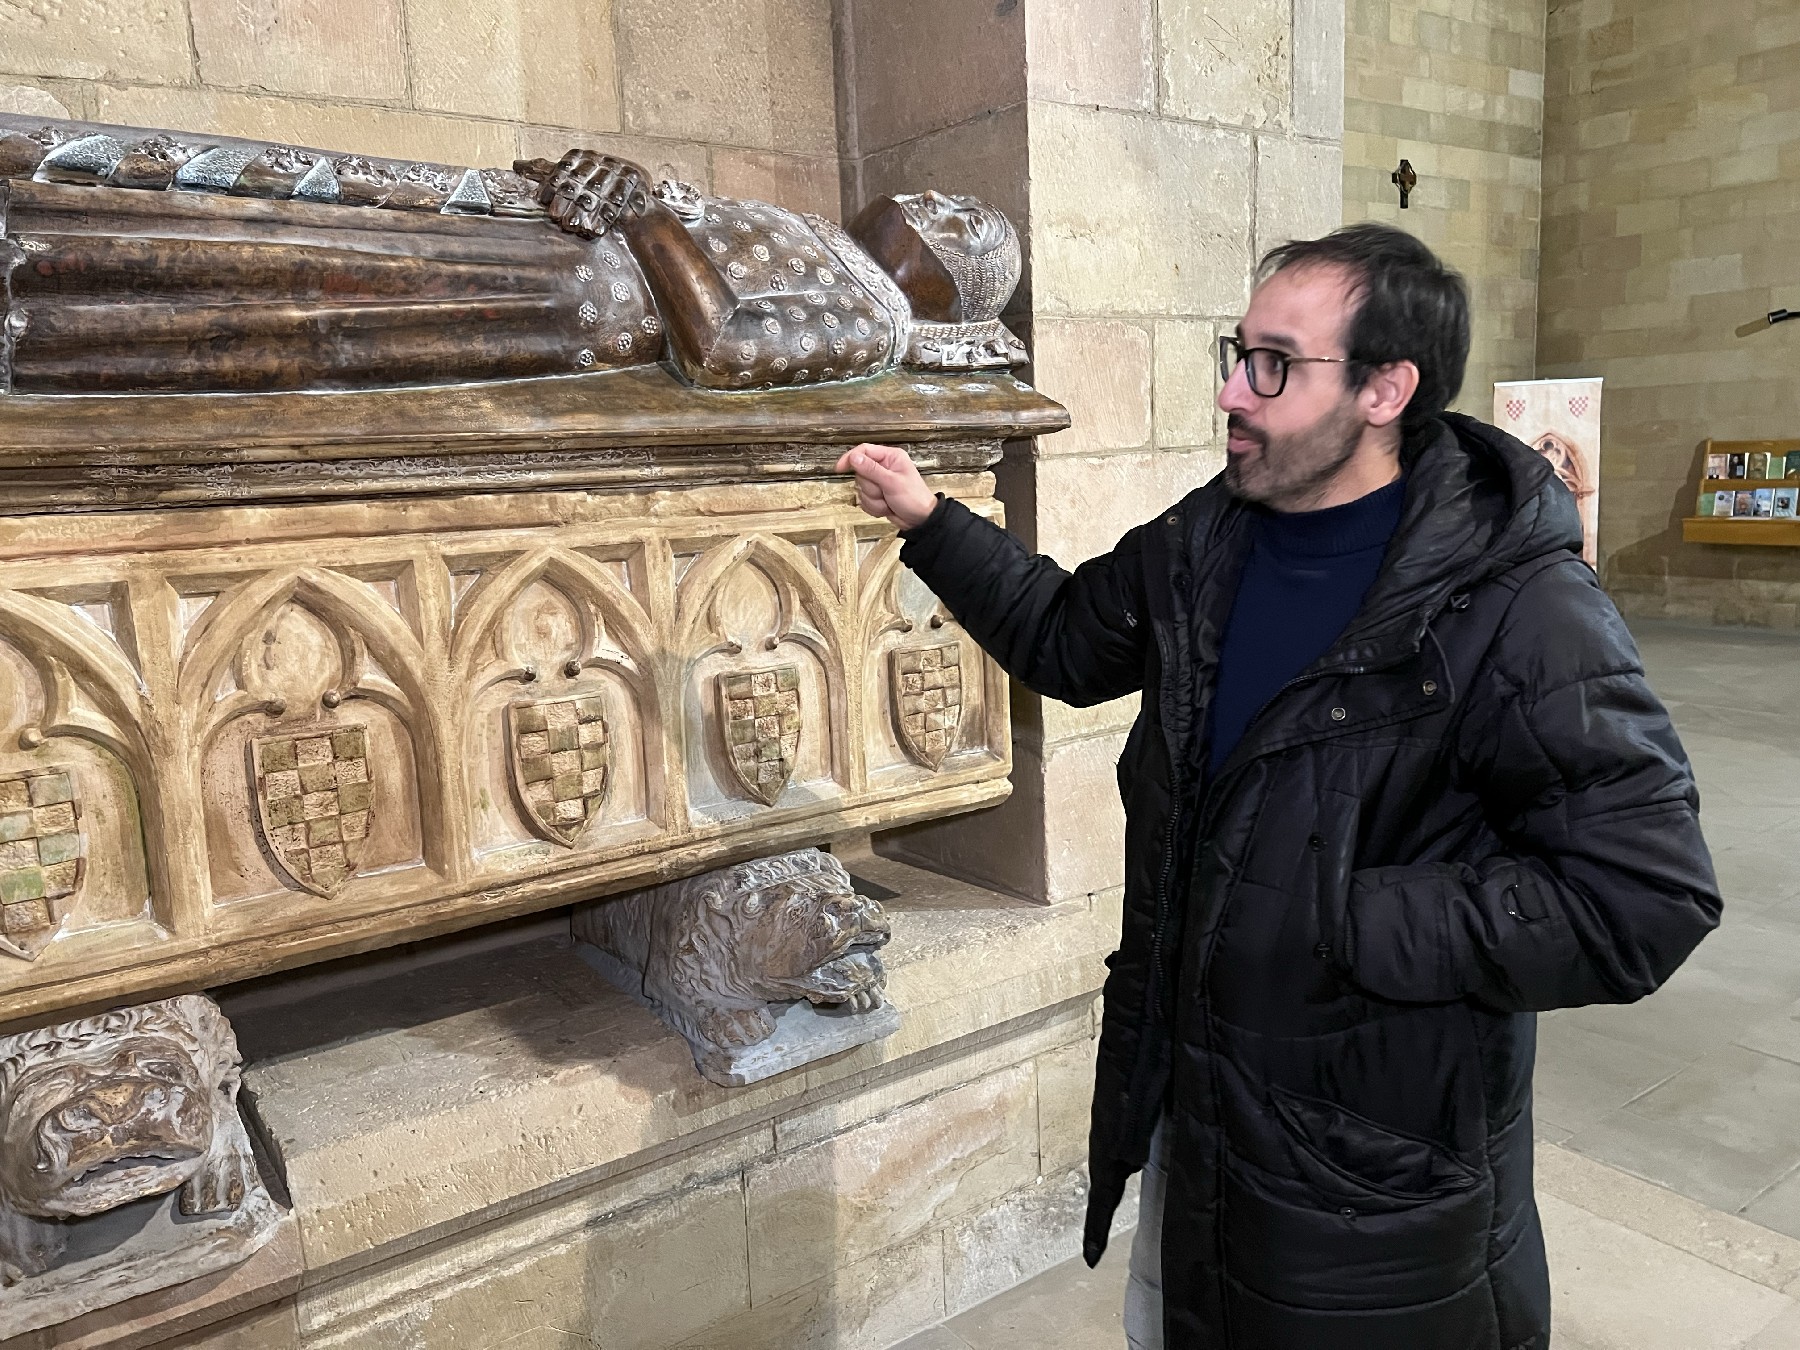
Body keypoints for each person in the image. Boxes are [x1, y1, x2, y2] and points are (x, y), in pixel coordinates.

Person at [836, 222, 1720, 1350]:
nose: (1229, 393)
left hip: (1370, 1164)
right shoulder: (1209, 540)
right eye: (1236, 353)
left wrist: (1340, 918)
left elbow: (1643, 897)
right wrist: (933, 522)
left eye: (1273, 365)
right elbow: (1068, 640)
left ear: (1385, 389)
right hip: (1199, 1106)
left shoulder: (1521, 610)